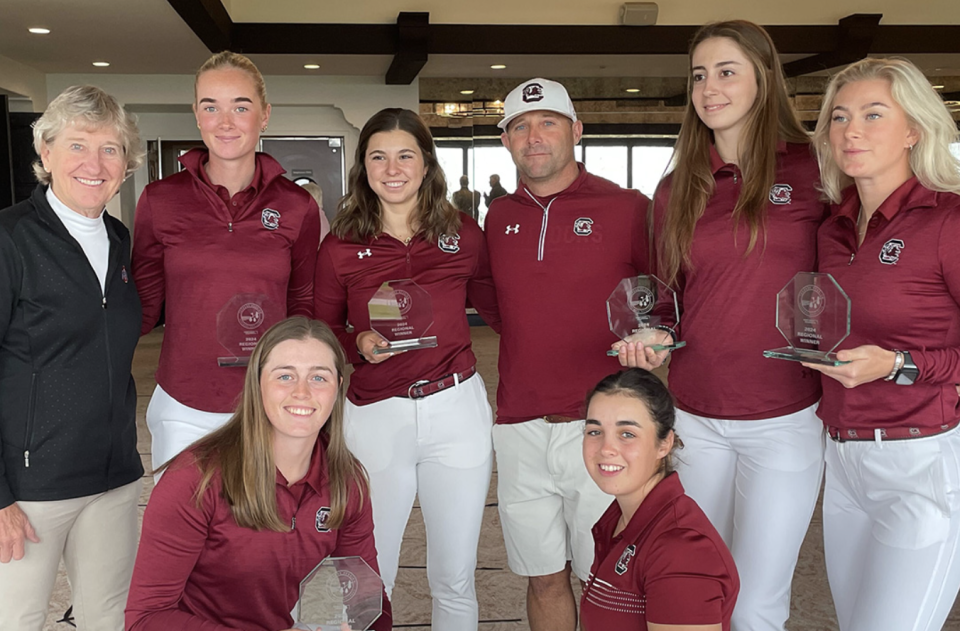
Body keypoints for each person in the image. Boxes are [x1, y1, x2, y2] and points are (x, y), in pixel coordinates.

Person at [616, 21, 828, 631]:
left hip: (785, 421)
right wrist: (653, 334)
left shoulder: (816, 170)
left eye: (727, 71)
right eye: (699, 75)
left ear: (765, 77)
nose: (710, 87)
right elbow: (666, 299)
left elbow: (852, 275)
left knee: (758, 600)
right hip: (696, 418)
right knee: (698, 588)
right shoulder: (678, 187)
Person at [313, 108, 499, 630]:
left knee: (455, 573)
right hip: (376, 416)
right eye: (378, 156)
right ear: (363, 166)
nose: (392, 168)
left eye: (404, 155)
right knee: (370, 570)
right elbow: (321, 332)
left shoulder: (464, 233)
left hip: (456, 408)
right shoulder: (340, 245)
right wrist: (357, 342)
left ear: (426, 164)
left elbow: (503, 310)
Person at [484, 77, 649, 631]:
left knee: (607, 575)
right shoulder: (497, 218)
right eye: (520, 127)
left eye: (548, 122)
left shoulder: (628, 208)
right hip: (519, 425)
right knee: (543, 574)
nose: (535, 137)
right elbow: (496, 305)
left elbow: (666, 298)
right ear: (505, 140)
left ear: (576, 131)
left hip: (603, 424)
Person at [803, 57, 960, 631]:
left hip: (920, 460)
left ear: (914, 128)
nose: (852, 130)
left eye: (874, 114)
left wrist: (898, 365)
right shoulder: (833, 228)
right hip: (843, 462)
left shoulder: (948, 219)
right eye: (839, 117)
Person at [125, 317, 391, 631]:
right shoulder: (196, 479)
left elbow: (368, 602)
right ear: (257, 383)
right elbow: (146, 619)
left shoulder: (347, 481)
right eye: (285, 376)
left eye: (319, 377)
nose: (302, 392)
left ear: (338, 387)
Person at [133, 51, 321, 473]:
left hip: (271, 401)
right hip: (184, 404)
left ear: (265, 115)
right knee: (185, 533)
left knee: (264, 532)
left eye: (241, 106)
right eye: (210, 107)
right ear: (196, 116)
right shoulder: (159, 200)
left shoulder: (297, 206)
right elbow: (140, 308)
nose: (225, 121)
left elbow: (303, 304)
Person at [0, 85, 145, 630]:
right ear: (46, 152)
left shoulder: (118, 237)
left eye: (110, 149)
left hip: (113, 477)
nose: (94, 163)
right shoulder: (9, 238)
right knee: (18, 619)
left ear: (125, 164)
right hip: (31, 488)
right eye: (78, 145)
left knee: (106, 617)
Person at [580, 368, 739, 631]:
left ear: (664, 444)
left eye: (627, 434)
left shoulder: (682, 550)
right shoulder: (619, 519)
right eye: (595, 431)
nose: (606, 448)